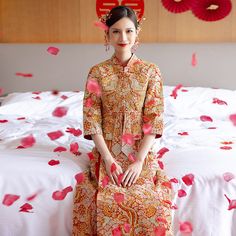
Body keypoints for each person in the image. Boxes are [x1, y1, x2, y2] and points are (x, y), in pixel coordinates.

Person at [73, 5, 172, 236]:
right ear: (107, 34)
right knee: (103, 201)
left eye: (129, 31)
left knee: (149, 202)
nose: (123, 37)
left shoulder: (150, 71)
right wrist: (107, 159)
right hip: (107, 150)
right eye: (116, 31)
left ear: (137, 33)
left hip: (140, 151)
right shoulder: (98, 72)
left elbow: (154, 117)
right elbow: (91, 117)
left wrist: (139, 160)